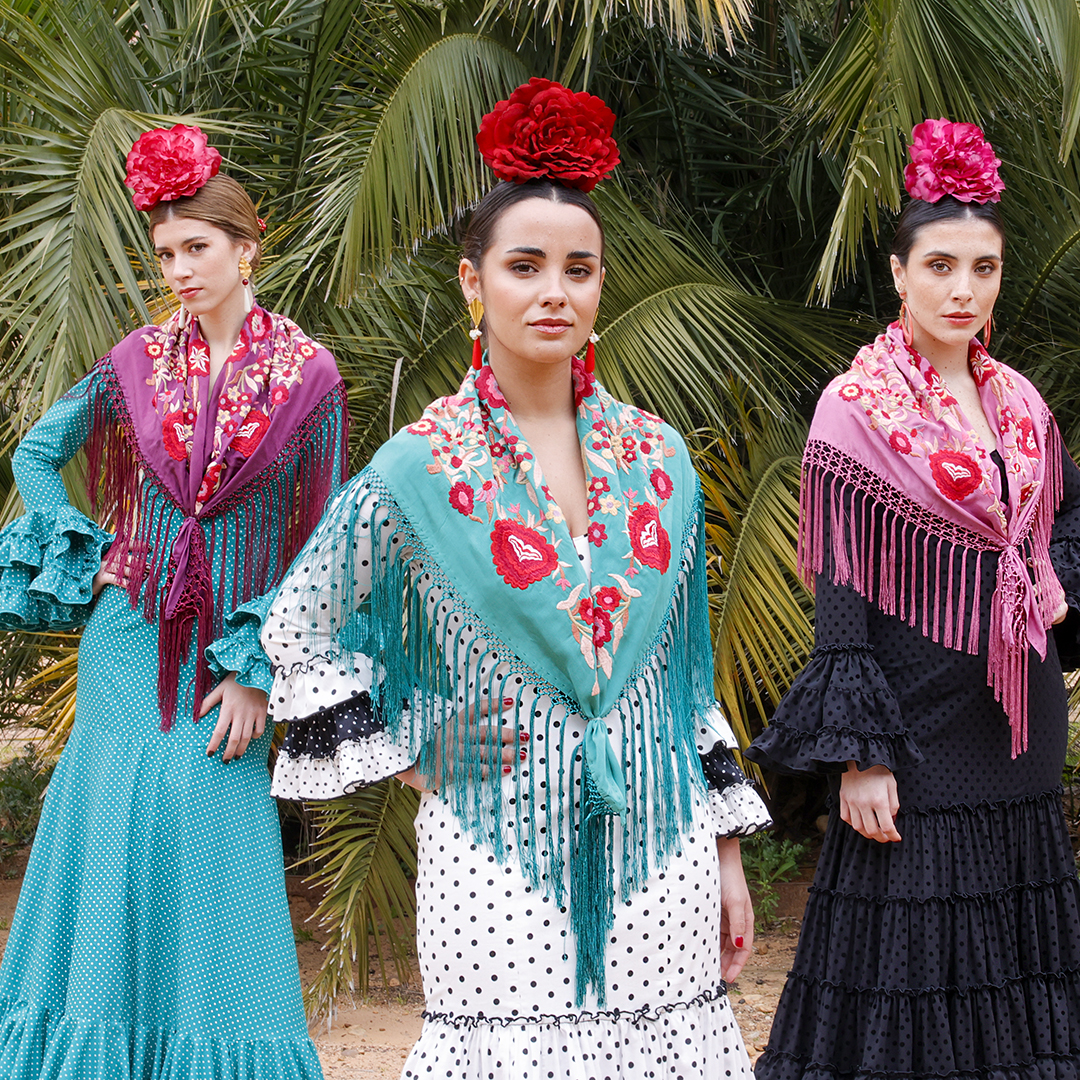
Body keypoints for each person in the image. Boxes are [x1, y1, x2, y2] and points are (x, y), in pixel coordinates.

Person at [259, 78, 770, 1080]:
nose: (554, 293)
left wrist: (726, 857)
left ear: (602, 284)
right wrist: (420, 747)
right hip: (495, 862)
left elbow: (683, 686)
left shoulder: (661, 461)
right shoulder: (419, 467)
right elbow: (299, 627)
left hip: (661, 859)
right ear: (472, 281)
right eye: (525, 266)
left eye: (579, 269)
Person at [0, 124, 346, 1078]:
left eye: (197, 247)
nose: (181, 270)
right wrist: (91, 556)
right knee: (110, 850)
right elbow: (36, 454)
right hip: (124, 651)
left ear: (246, 246)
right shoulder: (136, 360)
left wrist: (258, 673)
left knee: (214, 864)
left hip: (223, 667)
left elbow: (320, 542)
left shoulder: (310, 378)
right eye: (165, 255)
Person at [748, 119, 1080, 1078]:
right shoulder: (856, 407)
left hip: (1019, 724)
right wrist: (860, 755)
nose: (962, 290)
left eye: (984, 268)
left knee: (1017, 972)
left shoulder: (1022, 404)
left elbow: (1067, 519)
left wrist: (1054, 586)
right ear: (898, 274)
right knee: (908, 973)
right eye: (940, 266)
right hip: (914, 733)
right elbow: (840, 586)